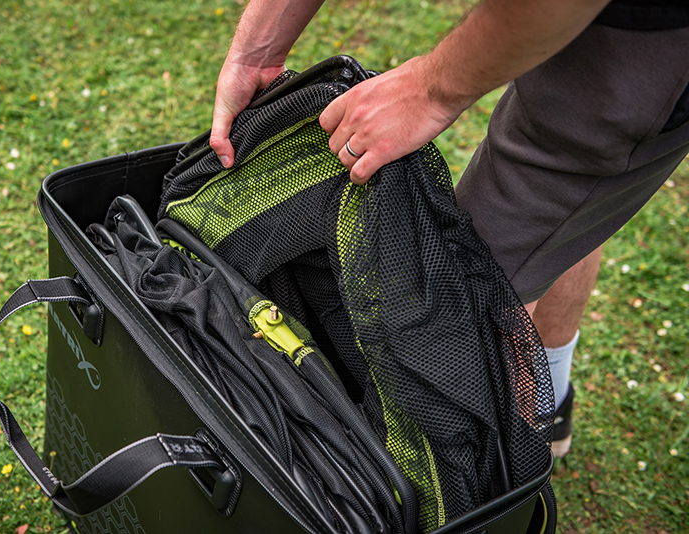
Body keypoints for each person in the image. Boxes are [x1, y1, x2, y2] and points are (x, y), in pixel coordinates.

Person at [209, 0, 689, 458]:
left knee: (471, 292)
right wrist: (256, 55)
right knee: (566, 211)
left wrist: (429, 91)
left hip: (645, 44)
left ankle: (506, 467)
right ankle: (551, 404)